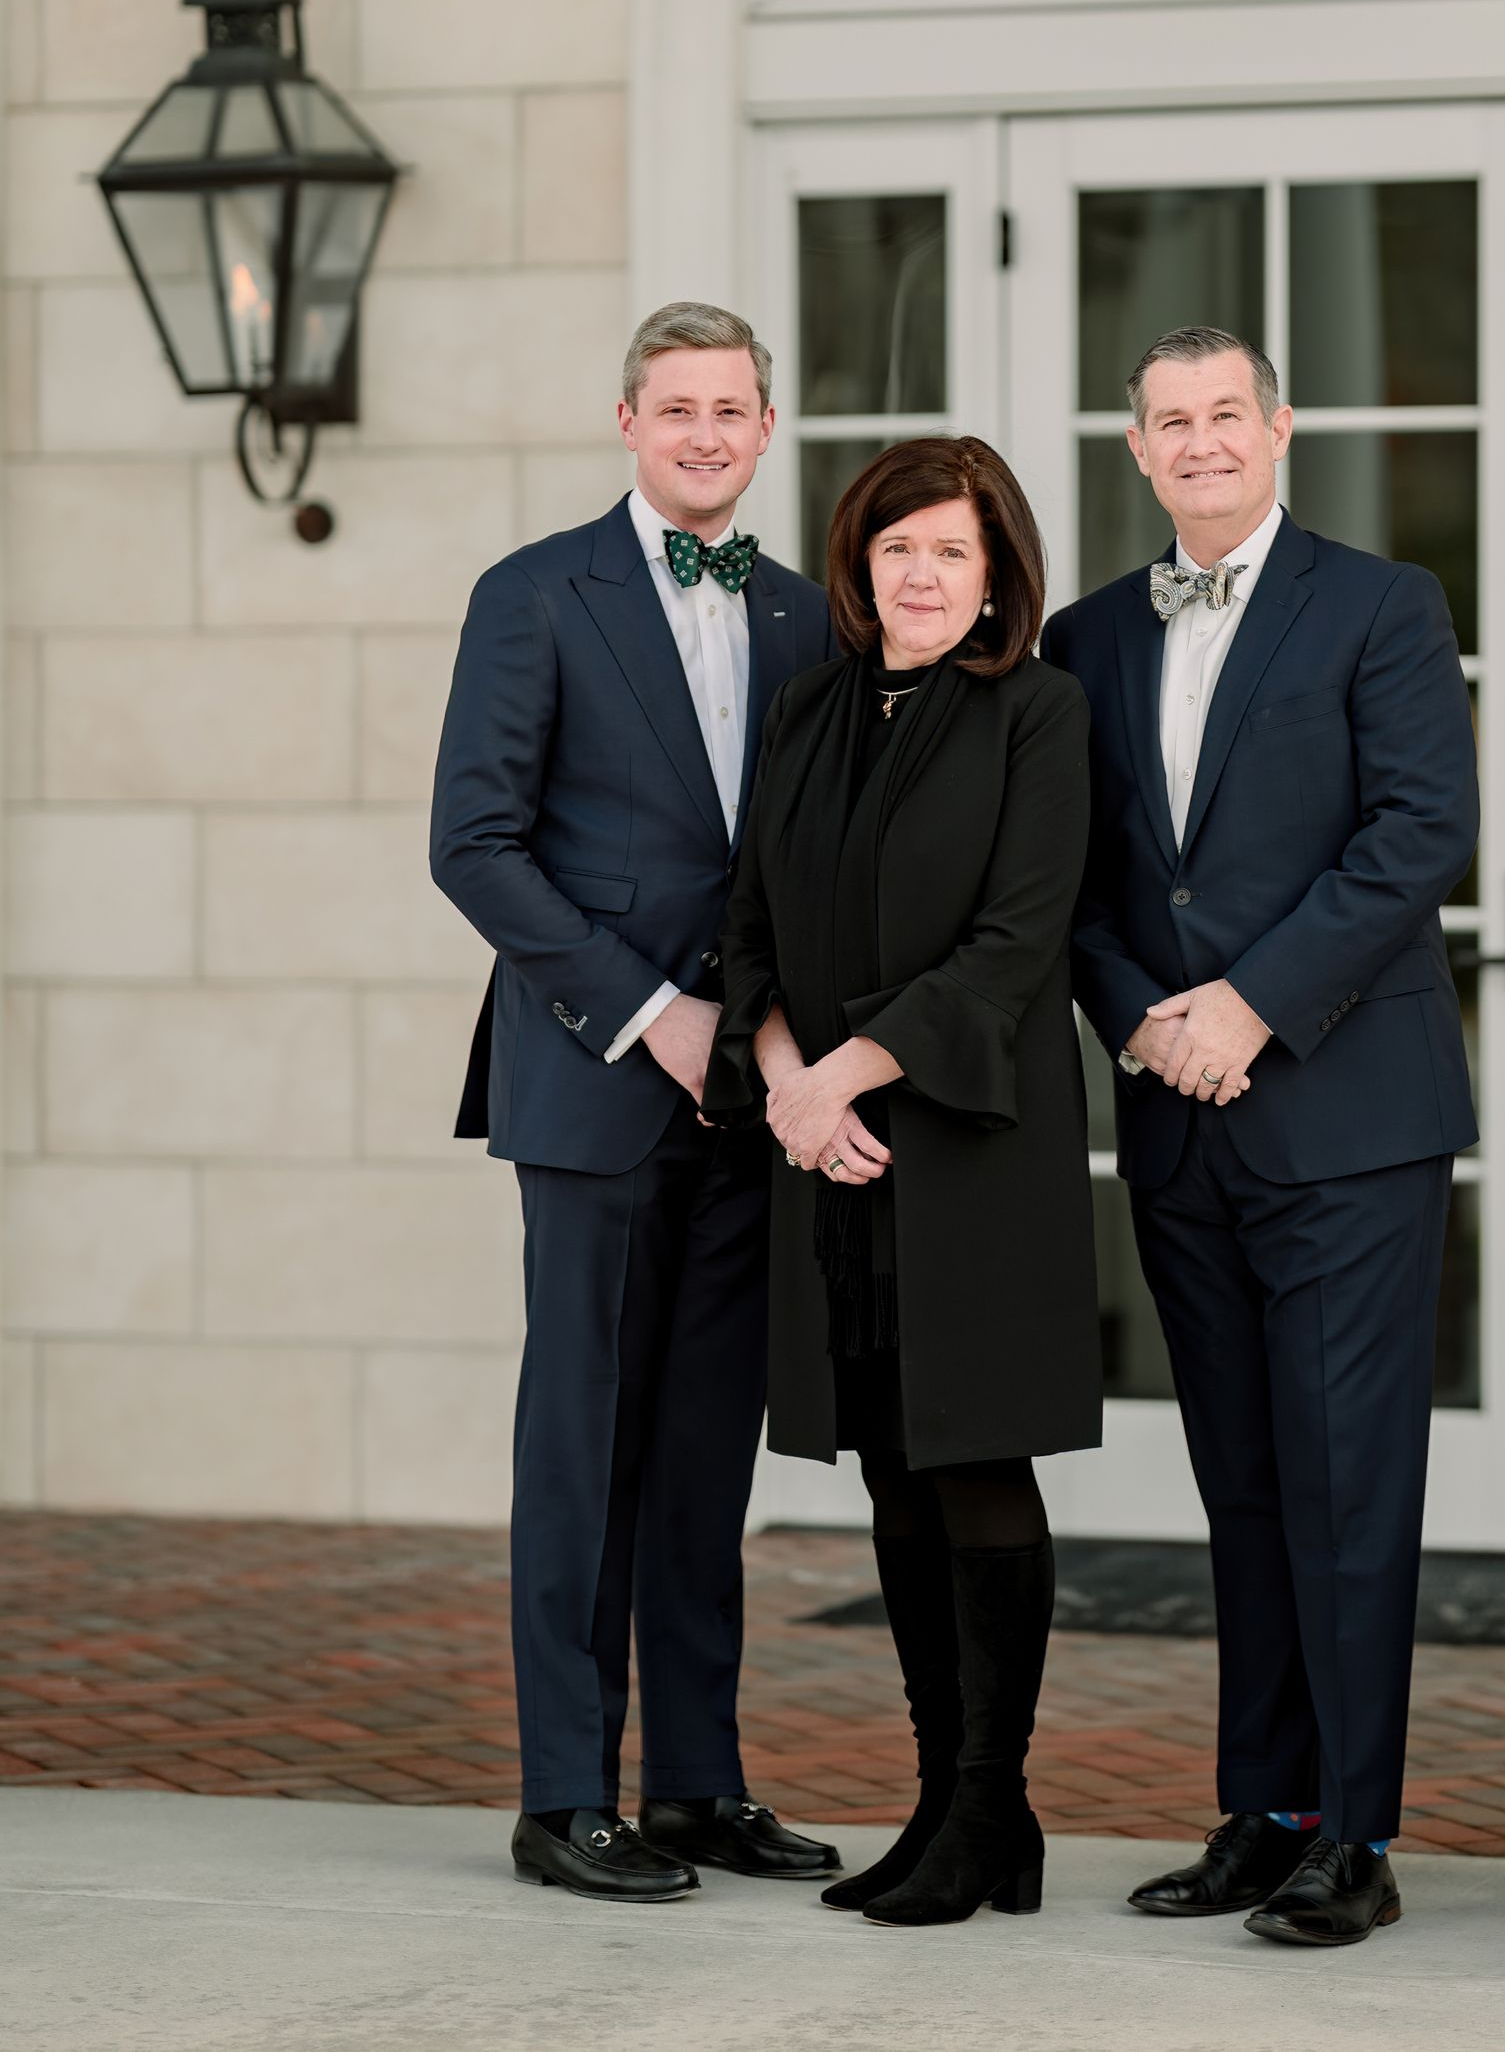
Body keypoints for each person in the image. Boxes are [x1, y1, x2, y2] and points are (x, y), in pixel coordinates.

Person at [1041, 326, 1478, 1947]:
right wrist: (1147, 1019)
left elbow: (1418, 829)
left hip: (1347, 1115)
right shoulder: (1087, 640)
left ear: (1279, 432)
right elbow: (1074, 881)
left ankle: (1355, 1837)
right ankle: (1266, 1809)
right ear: (1137, 450)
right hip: (1177, 1119)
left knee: (1348, 1484)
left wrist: (1251, 1007)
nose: (1204, 441)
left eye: (1231, 413)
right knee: (1242, 1486)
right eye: (1174, 420)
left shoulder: (1382, 606)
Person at [429, 302, 839, 1902]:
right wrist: (651, 1012)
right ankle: (558, 1793)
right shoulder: (533, 595)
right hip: (593, 1084)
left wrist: (772, 1040)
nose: (705, 435)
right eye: (676, 409)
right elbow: (475, 843)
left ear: (765, 425)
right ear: (626, 422)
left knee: (702, 1457)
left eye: (731, 409)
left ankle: (696, 1785)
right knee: (582, 1441)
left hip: (750, 1102)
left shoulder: (805, 617)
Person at [702, 434, 1101, 1929]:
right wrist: (790, 1076)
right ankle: (945, 1800)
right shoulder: (807, 714)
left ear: (996, 571)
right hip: (835, 1150)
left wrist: (835, 1081)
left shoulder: (1040, 716)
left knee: (974, 1459)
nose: (921, 574)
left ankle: (995, 1803)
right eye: (896, 548)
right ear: (858, 566)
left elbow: (1015, 945)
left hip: (965, 1145)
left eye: (950, 549)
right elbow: (749, 927)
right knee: (888, 1463)